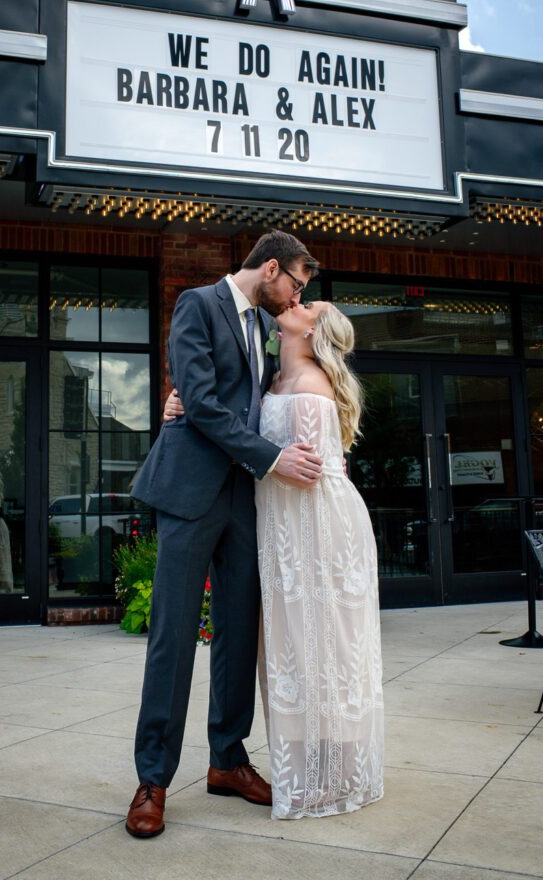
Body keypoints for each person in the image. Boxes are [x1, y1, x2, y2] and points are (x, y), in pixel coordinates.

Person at [126, 230, 321, 839]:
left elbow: (242, 400)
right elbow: (204, 403)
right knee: (174, 637)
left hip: (243, 500)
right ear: (270, 269)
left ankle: (228, 762)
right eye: (295, 284)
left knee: (238, 632)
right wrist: (272, 457)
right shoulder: (196, 303)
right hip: (191, 494)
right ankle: (152, 779)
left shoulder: (265, 330)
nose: (295, 299)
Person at [166, 301, 384, 819]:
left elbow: (310, 469)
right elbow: (232, 416)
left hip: (316, 525)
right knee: (290, 645)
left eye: (308, 303)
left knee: (321, 643)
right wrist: (184, 404)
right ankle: (306, 763)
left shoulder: (309, 390)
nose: (296, 301)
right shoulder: (270, 378)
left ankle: (328, 774)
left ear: (311, 329)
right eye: (300, 290)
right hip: (282, 524)